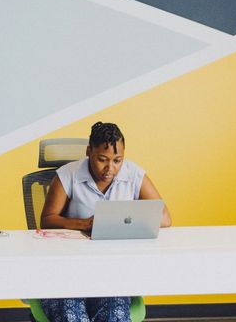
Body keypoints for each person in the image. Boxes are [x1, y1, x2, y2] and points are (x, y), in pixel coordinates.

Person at [38, 121, 172, 322]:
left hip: (113, 271)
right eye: (102, 159)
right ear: (88, 152)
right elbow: (47, 220)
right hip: (69, 270)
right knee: (71, 316)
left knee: (114, 316)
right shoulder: (68, 175)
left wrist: (127, 219)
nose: (111, 168)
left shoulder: (133, 174)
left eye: (118, 160)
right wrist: (84, 224)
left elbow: (165, 218)